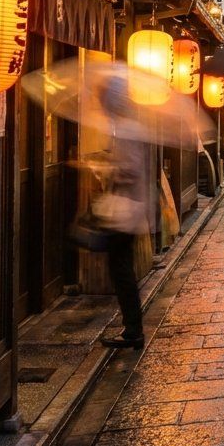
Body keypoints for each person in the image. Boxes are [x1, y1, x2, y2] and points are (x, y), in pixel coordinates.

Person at [94, 77, 154, 350]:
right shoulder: (128, 127)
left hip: (125, 210)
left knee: (121, 269)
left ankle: (133, 330)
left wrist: (105, 168)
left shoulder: (127, 130)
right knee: (121, 268)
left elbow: (128, 170)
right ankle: (132, 328)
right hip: (129, 208)